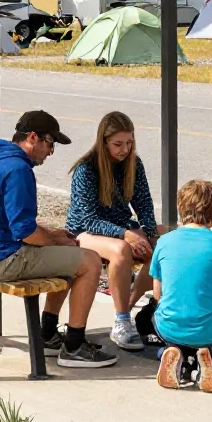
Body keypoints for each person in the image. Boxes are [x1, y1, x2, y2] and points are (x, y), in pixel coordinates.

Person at [0, 110, 118, 368]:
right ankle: (75, 347)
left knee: (69, 257)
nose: (51, 151)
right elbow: (25, 233)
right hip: (0, 261)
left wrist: (54, 236)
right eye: (50, 142)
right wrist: (58, 242)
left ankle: (47, 334)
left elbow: (11, 222)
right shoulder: (18, 170)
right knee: (89, 261)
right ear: (33, 137)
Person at [65, 111, 164, 352]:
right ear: (104, 141)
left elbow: (144, 204)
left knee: (166, 241)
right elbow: (89, 220)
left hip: (120, 227)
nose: (124, 150)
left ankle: (130, 305)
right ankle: (121, 321)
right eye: (118, 144)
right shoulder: (86, 170)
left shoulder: (134, 164)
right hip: (83, 232)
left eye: (129, 143)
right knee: (121, 251)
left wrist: (149, 234)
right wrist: (126, 235)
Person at [151, 179, 212, 393]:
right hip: (210, 328)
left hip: (168, 325)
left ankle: (177, 354)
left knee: (161, 316)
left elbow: (158, 294)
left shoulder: (164, 241)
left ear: (180, 208)